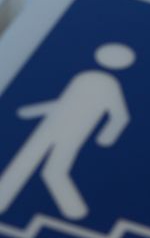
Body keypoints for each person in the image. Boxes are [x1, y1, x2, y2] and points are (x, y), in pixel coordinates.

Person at [0, 43, 135, 219]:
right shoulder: (83, 77)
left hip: (74, 132)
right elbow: (64, 104)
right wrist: (32, 111)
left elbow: (119, 115)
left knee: (54, 170)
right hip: (49, 127)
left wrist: (106, 137)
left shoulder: (109, 84)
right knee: (23, 163)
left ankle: (76, 211)